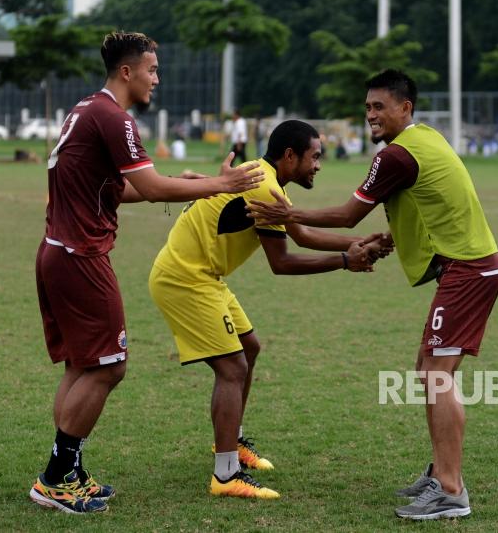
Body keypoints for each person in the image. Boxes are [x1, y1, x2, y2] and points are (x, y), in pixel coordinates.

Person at [247, 69, 498, 520]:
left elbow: (348, 216)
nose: (371, 115)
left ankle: (451, 490)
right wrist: (392, 237)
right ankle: (441, 474)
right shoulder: (427, 139)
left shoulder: (396, 156)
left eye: (379, 106)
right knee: (429, 369)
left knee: (436, 375)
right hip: (471, 268)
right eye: (367, 107)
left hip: (468, 270)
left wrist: (288, 213)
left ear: (405, 107)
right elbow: (431, 204)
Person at [30, 31, 264, 514]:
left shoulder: (86, 109)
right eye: (152, 70)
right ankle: (55, 478)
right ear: (127, 72)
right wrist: (221, 183)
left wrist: (196, 185)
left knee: (81, 364)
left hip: (58, 251)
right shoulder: (116, 118)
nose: (157, 79)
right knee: (109, 367)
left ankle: (68, 471)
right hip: (80, 256)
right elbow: (153, 188)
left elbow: (123, 190)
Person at [148, 119, 391, 500]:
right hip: (186, 278)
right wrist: (347, 260)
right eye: (314, 157)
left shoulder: (266, 179)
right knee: (233, 368)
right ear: (290, 155)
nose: (318, 165)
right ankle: (226, 476)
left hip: (204, 276)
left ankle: (232, 441)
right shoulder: (263, 184)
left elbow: (302, 234)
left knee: (249, 349)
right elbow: (282, 262)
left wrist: (361, 241)